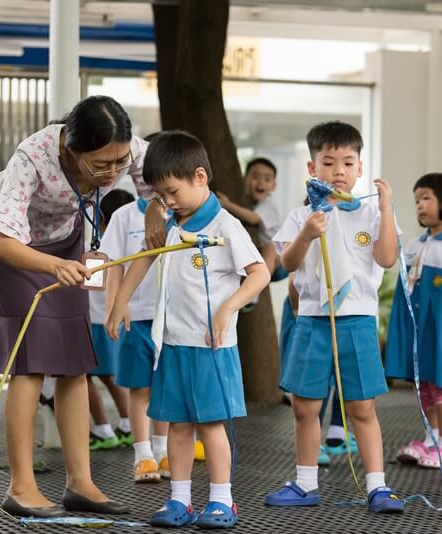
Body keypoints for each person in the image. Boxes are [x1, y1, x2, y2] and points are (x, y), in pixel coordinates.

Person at [0, 95, 164, 518]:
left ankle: (81, 483)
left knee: (74, 362)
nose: (112, 172)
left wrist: (154, 206)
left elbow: (155, 181)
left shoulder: (127, 148)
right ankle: (21, 487)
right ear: (70, 148)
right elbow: (1, 242)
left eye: (119, 163)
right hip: (16, 253)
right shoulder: (33, 157)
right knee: (30, 364)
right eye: (100, 165)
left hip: (66, 244)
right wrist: (54, 265)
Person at [107, 130, 270, 528]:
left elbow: (260, 272)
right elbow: (146, 257)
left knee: (211, 425)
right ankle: (179, 499)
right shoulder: (172, 221)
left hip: (211, 346)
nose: (167, 201)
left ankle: (222, 500)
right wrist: (120, 301)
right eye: (160, 196)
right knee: (179, 425)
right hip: (173, 344)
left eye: (172, 192)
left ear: (200, 177)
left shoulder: (225, 225)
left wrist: (230, 306)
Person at [264, 121, 403, 513]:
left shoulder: (373, 213)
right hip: (311, 321)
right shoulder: (300, 215)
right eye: (328, 162)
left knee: (362, 408)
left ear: (361, 168)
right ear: (312, 169)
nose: (338, 170)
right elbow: (287, 265)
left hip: (357, 321)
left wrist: (388, 208)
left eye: (347, 162)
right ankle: (306, 483)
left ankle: (377, 486)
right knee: (305, 406)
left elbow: (387, 258)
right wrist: (307, 234)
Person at [385, 173, 442, 470]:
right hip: (420, 330)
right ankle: (431, 438)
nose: (420, 205)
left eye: (426, 198)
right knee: (424, 385)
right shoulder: (417, 244)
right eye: (416, 200)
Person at [100, 190, 171, 482]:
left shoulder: (182, 215)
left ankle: (164, 450)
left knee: (165, 386)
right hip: (136, 317)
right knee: (140, 388)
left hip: (170, 319)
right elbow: (114, 263)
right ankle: (143, 455)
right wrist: (115, 305)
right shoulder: (123, 216)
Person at [86, 190, 134, 451]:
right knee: (109, 375)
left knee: (83, 376)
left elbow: (91, 286)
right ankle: (125, 425)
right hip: (109, 318)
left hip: (95, 319)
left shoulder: (100, 246)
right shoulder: (133, 245)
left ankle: (105, 429)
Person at [217, 157, 282, 276]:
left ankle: (260, 281)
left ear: (274, 185)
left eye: (267, 179)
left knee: (270, 248)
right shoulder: (246, 201)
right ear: (244, 179)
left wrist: (227, 204)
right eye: (255, 177)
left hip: (278, 253)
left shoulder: (268, 203)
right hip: (259, 251)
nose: (261, 182)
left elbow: (253, 218)